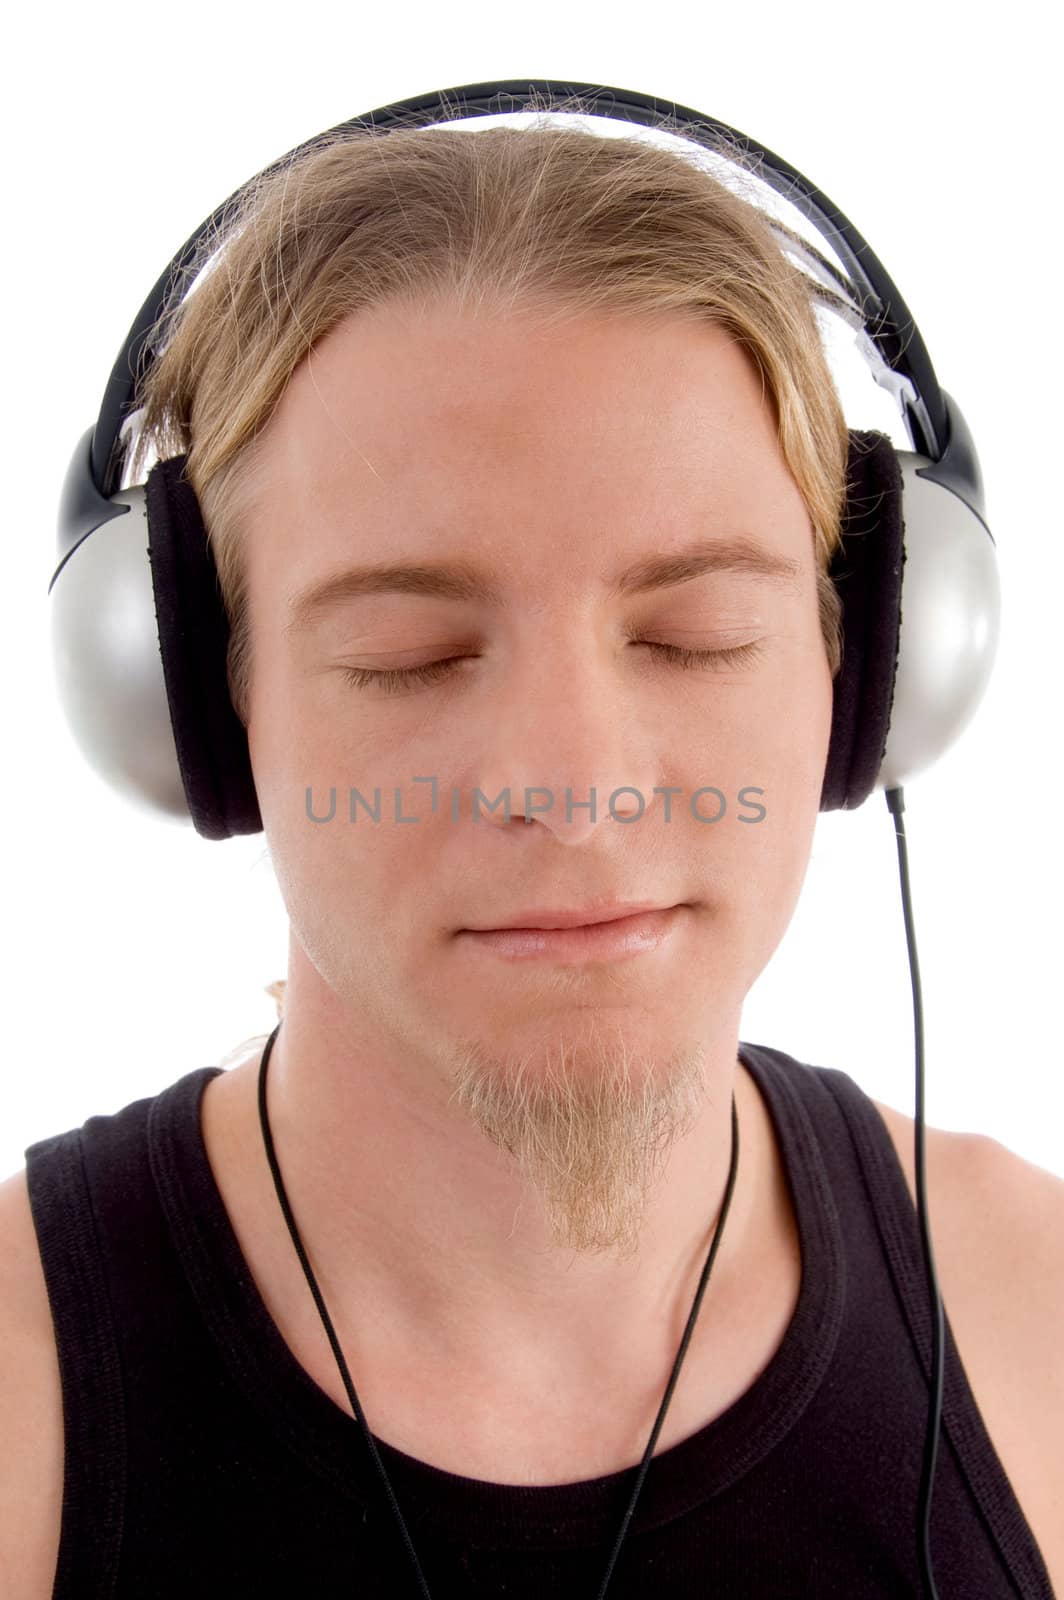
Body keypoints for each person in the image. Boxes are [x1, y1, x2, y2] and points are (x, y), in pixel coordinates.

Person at [2, 108, 1060, 1598]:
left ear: (871, 674)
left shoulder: (1043, 1321)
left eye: (694, 637)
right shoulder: (17, 1414)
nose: (574, 791)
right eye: (410, 655)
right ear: (197, 712)